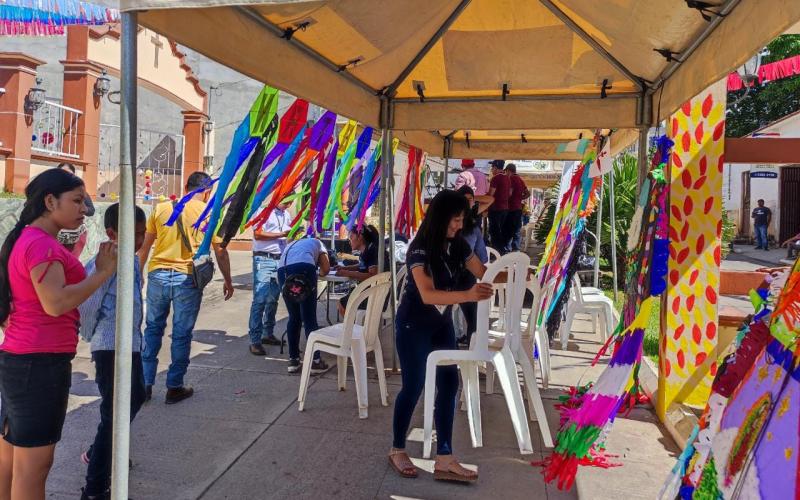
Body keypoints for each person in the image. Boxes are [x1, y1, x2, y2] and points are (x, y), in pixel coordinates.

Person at [0, 169, 117, 499]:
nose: (83, 209)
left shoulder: (30, 240)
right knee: (33, 468)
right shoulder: (41, 245)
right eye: (77, 201)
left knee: (12, 461)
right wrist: (103, 273)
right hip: (39, 365)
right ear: (50, 202)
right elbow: (56, 303)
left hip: (21, 362)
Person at [389, 189, 494, 483]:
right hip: (413, 325)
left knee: (450, 384)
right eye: (455, 220)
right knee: (413, 386)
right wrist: (469, 294)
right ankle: (397, 448)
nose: (459, 226)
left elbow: (483, 271)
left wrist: (515, 273)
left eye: (462, 220)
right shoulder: (419, 248)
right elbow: (427, 294)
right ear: (441, 218)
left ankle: (445, 457)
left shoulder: (458, 244)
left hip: (441, 325)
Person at [137, 171, 234, 404]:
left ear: (186, 186)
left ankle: (145, 385)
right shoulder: (208, 212)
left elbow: (145, 247)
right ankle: (174, 386)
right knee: (181, 334)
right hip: (188, 278)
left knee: (152, 330)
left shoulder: (161, 208)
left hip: (158, 275)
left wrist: (138, 274)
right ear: (207, 191)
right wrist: (228, 281)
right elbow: (220, 250)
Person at [78, 203, 147, 500]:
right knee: (114, 414)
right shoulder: (107, 259)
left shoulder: (129, 257)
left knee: (134, 397)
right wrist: (92, 335)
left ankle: (103, 452)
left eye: (143, 234)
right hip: (110, 346)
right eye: (136, 234)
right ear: (111, 233)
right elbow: (88, 302)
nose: (142, 239)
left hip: (129, 344)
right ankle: (95, 487)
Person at [278, 235, 331, 374]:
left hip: (282, 271)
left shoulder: (292, 244)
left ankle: (293, 360)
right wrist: (318, 271)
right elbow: (325, 269)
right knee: (309, 318)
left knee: (294, 317)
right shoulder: (318, 243)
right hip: (304, 268)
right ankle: (315, 361)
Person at [248, 197, 292, 355]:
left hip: (279, 259)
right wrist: (282, 234)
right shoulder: (263, 212)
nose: (289, 205)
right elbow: (258, 234)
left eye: (291, 202)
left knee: (273, 298)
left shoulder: (286, 215)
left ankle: (268, 332)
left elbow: (287, 236)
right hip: (264, 258)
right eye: (287, 201)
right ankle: (255, 340)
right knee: (260, 299)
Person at [455, 186, 493, 345]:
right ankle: (471, 346)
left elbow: (481, 262)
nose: (456, 225)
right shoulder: (469, 230)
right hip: (451, 280)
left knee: (473, 316)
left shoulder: (472, 225)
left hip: (464, 275)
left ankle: (471, 346)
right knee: (473, 316)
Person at [336, 224, 388, 316]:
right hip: (372, 290)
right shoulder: (368, 249)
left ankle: (353, 328)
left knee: (343, 304)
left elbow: (373, 276)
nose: (349, 241)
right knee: (343, 302)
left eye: (351, 237)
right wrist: (344, 268)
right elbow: (362, 265)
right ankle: (355, 326)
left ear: (360, 236)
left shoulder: (372, 250)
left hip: (376, 293)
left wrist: (347, 272)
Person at [56, 163, 95, 258]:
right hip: (56, 235)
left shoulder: (80, 192)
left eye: (69, 174)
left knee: (71, 264)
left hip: (75, 236)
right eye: (62, 173)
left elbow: (91, 211)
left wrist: (79, 208)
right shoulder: (50, 191)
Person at [503, 163, 530, 252]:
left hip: (510, 209)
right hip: (518, 208)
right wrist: (519, 198)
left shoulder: (510, 179)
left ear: (508, 170)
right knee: (517, 230)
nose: (505, 173)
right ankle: (516, 250)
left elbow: (509, 193)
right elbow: (528, 193)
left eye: (505, 171)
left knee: (508, 230)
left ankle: (507, 251)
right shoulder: (520, 180)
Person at [487, 159, 511, 253]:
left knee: (494, 232)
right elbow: (509, 194)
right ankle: (501, 250)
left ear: (496, 168)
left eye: (492, 167)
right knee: (500, 231)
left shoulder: (495, 178)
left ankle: (497, 252)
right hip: (505, 208)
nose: (491, 169)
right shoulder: (507, 178)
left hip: (495, 208)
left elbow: (490, 194)